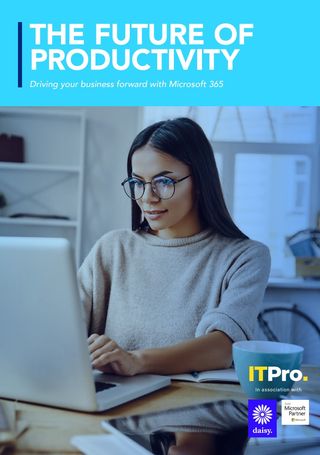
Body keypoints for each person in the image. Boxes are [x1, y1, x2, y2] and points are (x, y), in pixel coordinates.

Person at [78, 117, 271, 377]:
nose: (147, 197)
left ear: (200, 182)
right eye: (137, 183)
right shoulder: (111, 249)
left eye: (164, 182)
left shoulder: (245, 257)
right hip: (113, 403)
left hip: (192, 407)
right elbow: (64, 326)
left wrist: (136, 360)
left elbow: (223, 347)